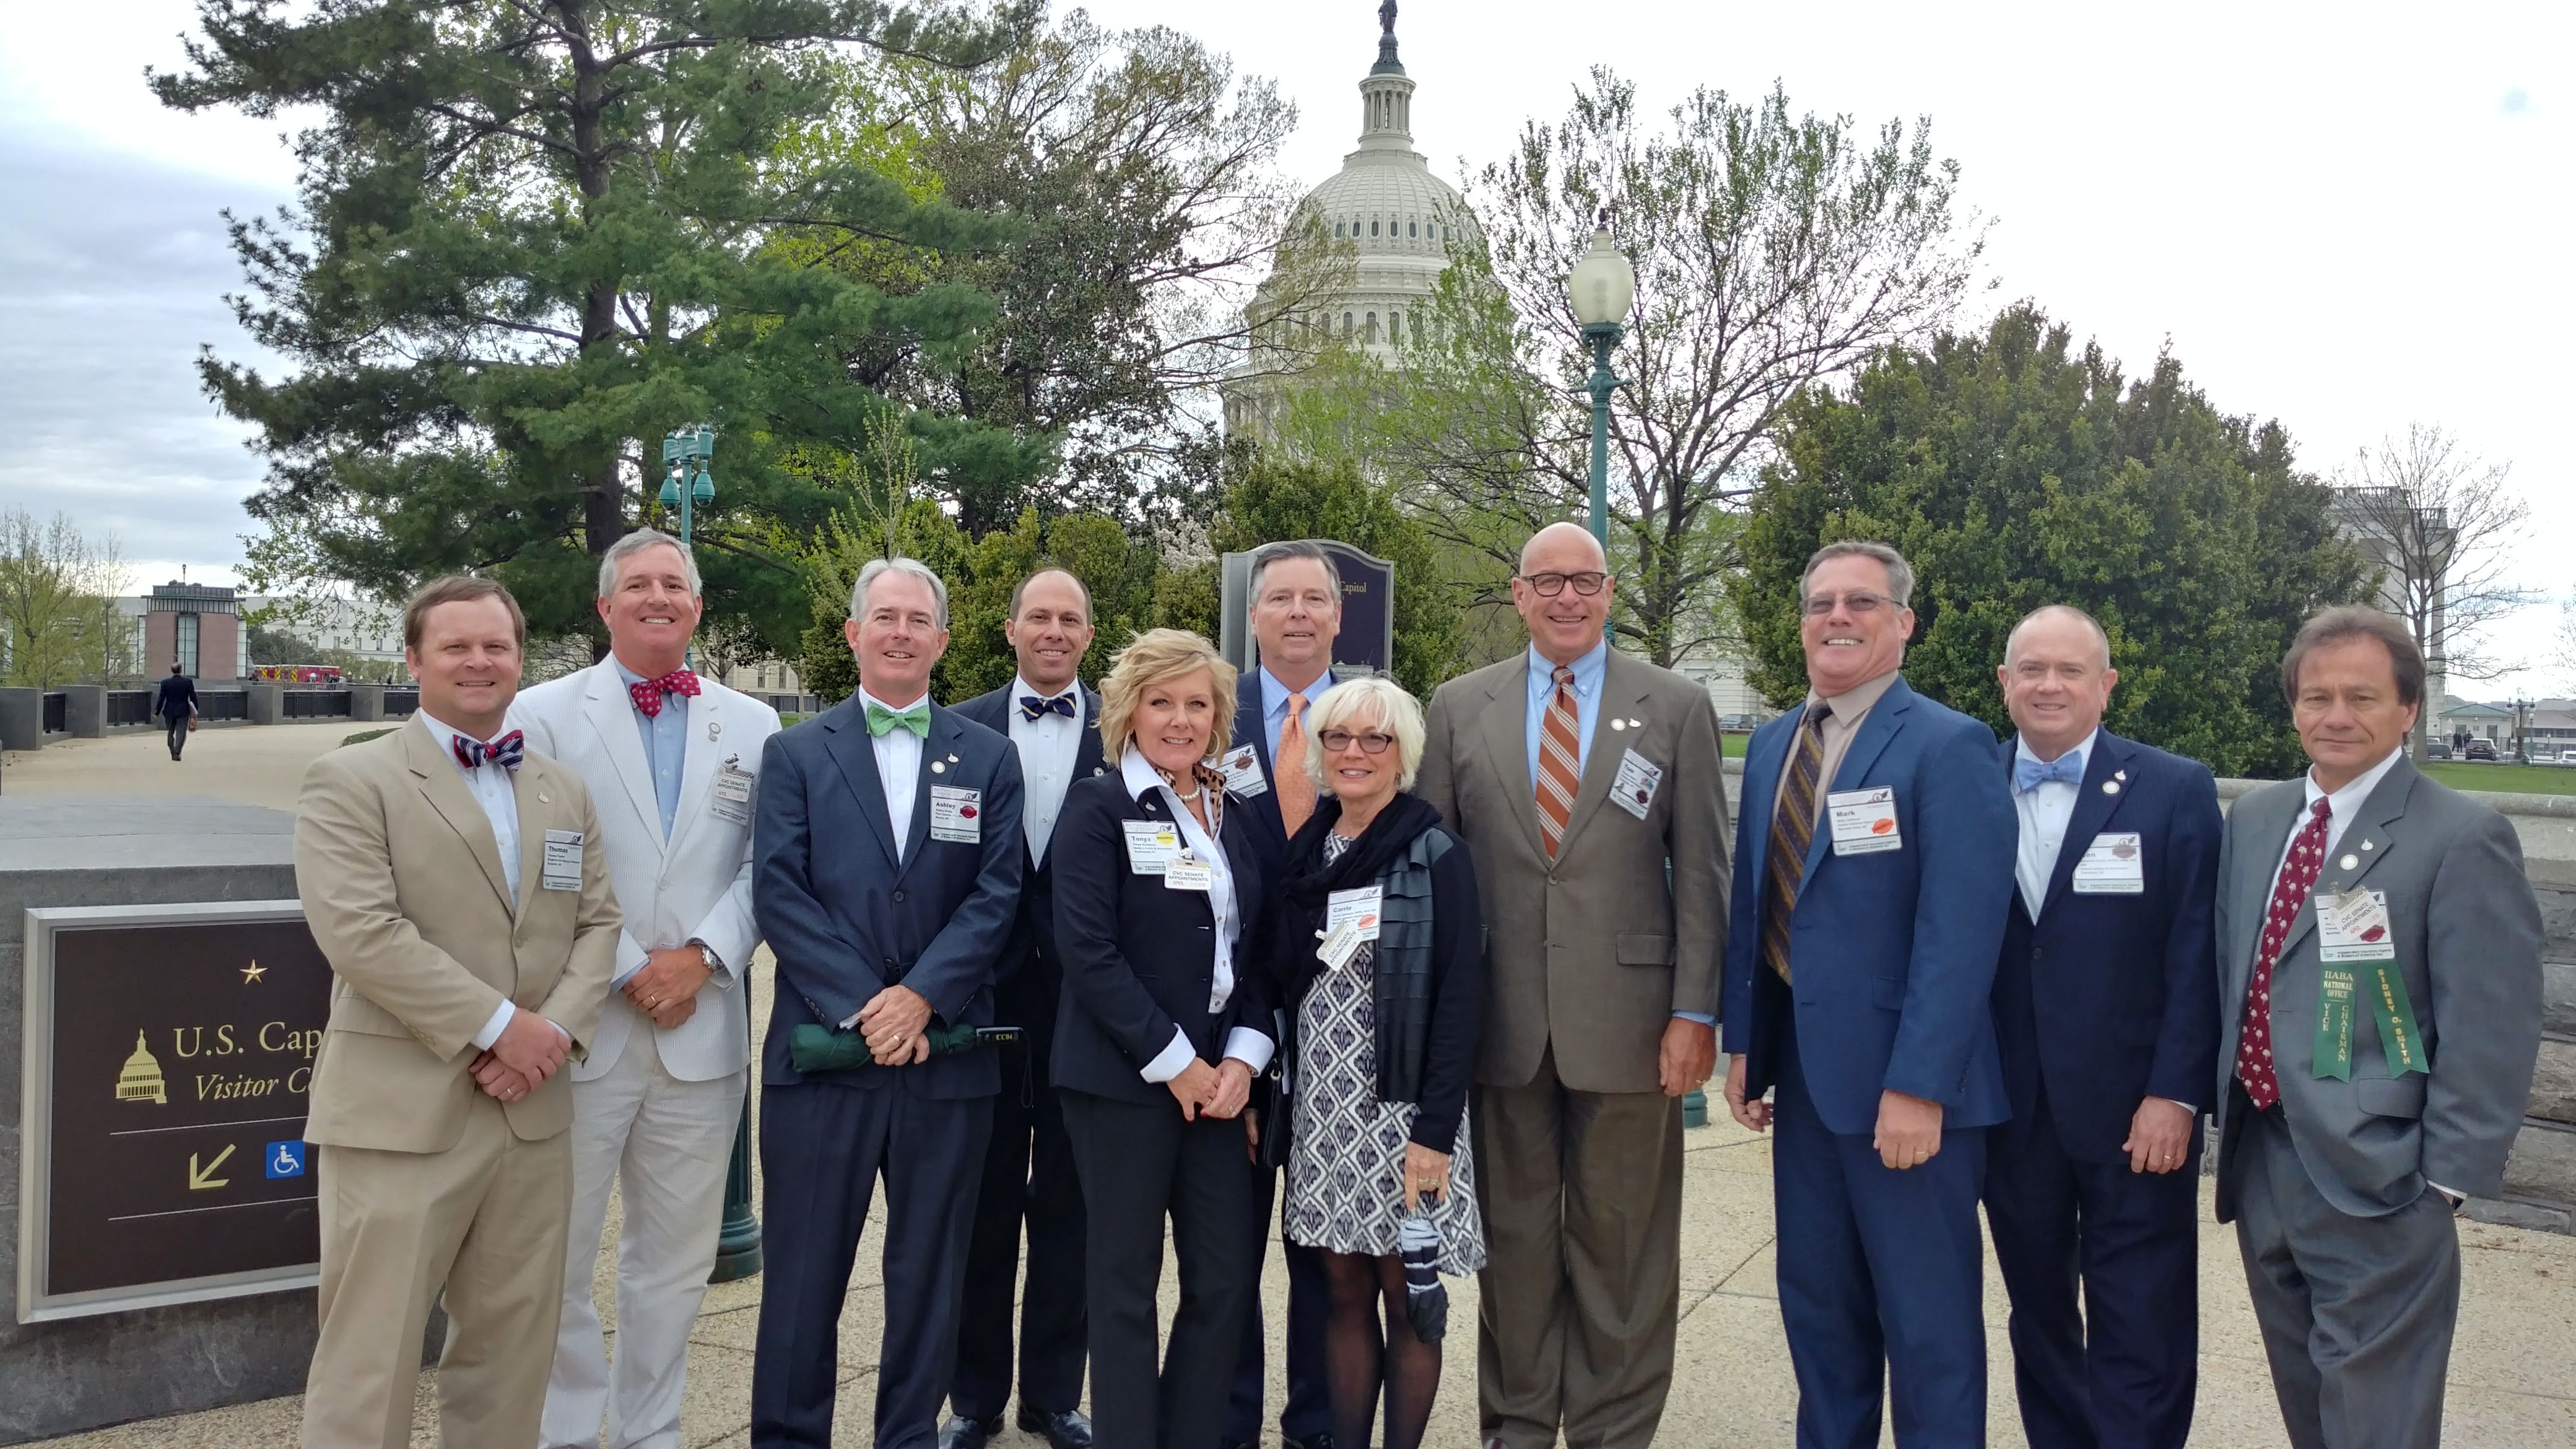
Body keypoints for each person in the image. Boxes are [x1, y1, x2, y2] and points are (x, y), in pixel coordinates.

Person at [1414, 520, 1730, 1449]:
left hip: (1635, 1029)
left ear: (1610, 592)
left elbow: (1705, 873)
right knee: (1514, 1250)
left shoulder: (1674, 705)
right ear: (1517, 594)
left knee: (1624, 1250)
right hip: (1498, 1026)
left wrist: (1695, 1010)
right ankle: (1515, 1425)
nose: (1565, 598)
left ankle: (1609, 1430)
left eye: (1584, 581)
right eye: (1546, 581)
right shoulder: (1459, 705)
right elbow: (1432, 870)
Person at [291, 575, 621, 1449]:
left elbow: (599, 924)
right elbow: (361, 934)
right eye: (457, 646)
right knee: (371, 1359)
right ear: (415, 659)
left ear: (519, 658)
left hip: (531, 1117)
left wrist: (549, 1036)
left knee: (513, 1356)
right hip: (402, 1115)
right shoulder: (351, 779)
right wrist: (502, 1027)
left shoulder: (562, 790)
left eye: (496, 646)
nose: (479, 662)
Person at [2213, 606, 2543, 1449]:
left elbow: (2492, 1022)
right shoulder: (2256, 821)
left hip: (2384, 1177)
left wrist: (2444, 1182)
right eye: (2316, 696)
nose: (2336, 716)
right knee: (2309, 1405)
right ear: (2291, 707)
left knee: (2377, 1423)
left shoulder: (2463, 837)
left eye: (2362, 696)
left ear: (2408, 710)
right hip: (2265, 1163)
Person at [1719, 540, 2016, 1449]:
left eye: (1860, 603)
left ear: (1903, 623)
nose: (1837, 618)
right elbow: (1760, 905)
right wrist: (1746, 1047)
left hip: (1907, 1097)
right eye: (1820, 604)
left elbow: (1960, 933)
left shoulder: (1949, 743)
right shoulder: (1775, 742)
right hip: (1807, 1088)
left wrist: (1921, 1085)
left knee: (1926, 1333)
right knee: (1821, 1318)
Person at [510, 529, 780, 1449]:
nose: (657, 596)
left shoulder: (752, 727)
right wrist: (630, 965)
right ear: (605, 606)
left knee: (673, 1263)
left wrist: (704, 957)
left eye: (675, 583)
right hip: (585, 1025)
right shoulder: (543, 715)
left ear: (697, 606)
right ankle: (570, 1429)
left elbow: (768, 869)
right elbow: (540, 866)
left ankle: (650, 1432)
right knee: (560, 1254)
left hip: (702, 1030)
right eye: (638, 585)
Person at [750, 557, 1026, 1449]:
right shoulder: (795, 753)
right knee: (802, 1278)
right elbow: (780, 891)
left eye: (919, 620)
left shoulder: (989, 757)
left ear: (943, 641)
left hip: (946, 1067)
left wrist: (923, 999)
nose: (902, 631)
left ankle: (908, 1435)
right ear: (855, 633)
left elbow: (998, 893)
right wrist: (871, 1005)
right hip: (823, 1058)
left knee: (929, 1277)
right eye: (886, 616)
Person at [1983, 604, 2220, 1449]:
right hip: (2010, 1107)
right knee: (2038, 1312)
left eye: (2071, 670)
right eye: (2032, 670)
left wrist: (2176, 1094)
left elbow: (2199, 954)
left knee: (2142, 1315)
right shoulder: (1967, 778)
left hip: (2135, 1112)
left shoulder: (2174, 787)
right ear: (2004, 683)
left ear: (2106, 686)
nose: (2050, 685)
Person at [1050, 629, 1277, 1449]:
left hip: (1221, 1088)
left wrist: (1242, 1063)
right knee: (1123, 1286)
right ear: (1128, 711)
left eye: (1197, 704)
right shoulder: (1097, 808)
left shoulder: (1235, 813)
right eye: (1162, 702)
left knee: (1222, 1279)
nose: (1179, 721)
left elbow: (1262, 950)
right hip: (1122, 1085)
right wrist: (1177, 1065)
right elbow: (1089, 953)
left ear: (1217, 717)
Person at [1271, 675, 1485, 1449]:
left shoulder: (1435, 853)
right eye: (1338, 738)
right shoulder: (1308, 850)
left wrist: (1435, 1129)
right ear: (1318, 753)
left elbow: (1462, 997)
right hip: (1325, 1111)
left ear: (1403, 754)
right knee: (1342, 1289)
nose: (1354, 752)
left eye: (1375, 739)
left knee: (1406, 1293)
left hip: (1404, 1113)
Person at [941, 567, 1104, 1449]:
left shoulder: (1127, 731)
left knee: (1072, 1204)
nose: (1052, 630)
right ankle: (974, 1399)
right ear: (1008, 630)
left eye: (1068, 618)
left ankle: (1054, 1395)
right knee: (985, 1198)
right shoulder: (958, 727)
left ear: (1088, 634)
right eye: (1036, 616)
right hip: (983, 1002)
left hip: (1088, 1007)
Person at [1221, 540, 1341, 1449]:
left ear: (1339, 618)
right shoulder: (1205, 719)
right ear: (1253, 617)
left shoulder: (1377, 723)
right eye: (1280, 599)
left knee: (1329, 1261)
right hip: (1227, 1034)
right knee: (1227, 1257)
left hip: (1347, 1034)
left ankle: (1316, 1426)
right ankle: (1229, 1427)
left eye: (1315, 599)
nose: (1297, 613)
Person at [157, 661, 198, 760]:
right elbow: (193, 697)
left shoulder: (165, 683)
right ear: (181, 670)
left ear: (172, 671)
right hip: (183, 710)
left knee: (170, 732)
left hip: (169, 711)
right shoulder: (188, 682)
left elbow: (161, 698)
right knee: (181, 732)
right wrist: (196, 710)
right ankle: (177, 752)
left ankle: (173, 751)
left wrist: (157, 711)